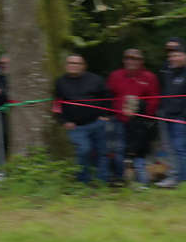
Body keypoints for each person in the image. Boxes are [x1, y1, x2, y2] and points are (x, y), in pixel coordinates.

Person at [52, 53, 116, 185]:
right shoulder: (60, 82)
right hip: (76, 126)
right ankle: (83, 182)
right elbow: (56, 105)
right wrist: (63, 121)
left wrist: (106, 114)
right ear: (66, 65)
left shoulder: (96, 80)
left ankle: (102, 181)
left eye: (77, 63)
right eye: (70, 63)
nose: (73, 66)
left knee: (102, 152)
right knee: (84, 150)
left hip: (97, 123)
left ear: (83, 66)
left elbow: (108, 97)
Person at [107, 48, 160, 187]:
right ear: (124, 60)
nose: (131, 61)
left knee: (138, 151)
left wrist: (142, 111)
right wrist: (111, 113)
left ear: (141, 61)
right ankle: (119, 179)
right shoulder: (115, 75)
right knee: (118, 149)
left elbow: (154, 100)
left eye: (135, 58)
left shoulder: (149, 77)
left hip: (140, 122)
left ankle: (142, 182)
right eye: (128, 58)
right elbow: (108, 96)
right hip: (118, 120)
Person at [155, 38, 186, 188]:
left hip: (180, 117)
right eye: (171, 56)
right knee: (169, 148)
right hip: (165, 114)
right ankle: (175, 177)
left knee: (179, 147)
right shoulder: (166, 70)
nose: (173, 58)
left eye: (177, 55)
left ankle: (181, 179)